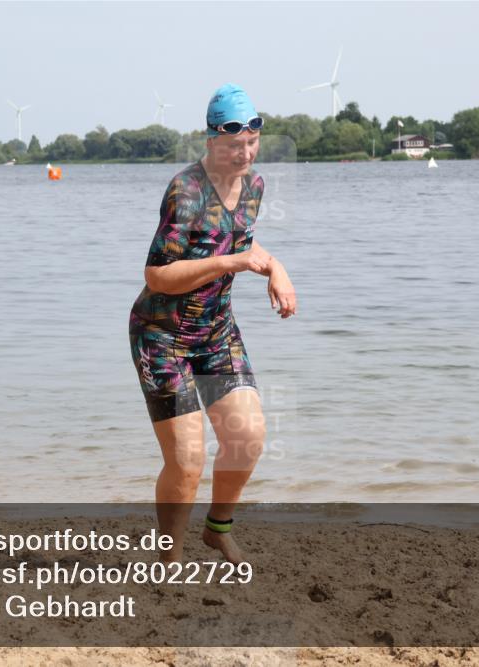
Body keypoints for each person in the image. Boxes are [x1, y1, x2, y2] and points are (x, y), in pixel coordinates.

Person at [128, 84, 297, 563]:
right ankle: (170, 555)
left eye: (251, 143)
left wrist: (276, 269)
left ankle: (217, 529)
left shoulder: (255, 187)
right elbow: (156, 275)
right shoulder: (186, 191)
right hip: (162, 337)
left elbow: (244, 246)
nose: (244, 153)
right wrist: (232, 263)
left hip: (215, 334)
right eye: (233, 145)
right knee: (186, 462)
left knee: (247, 438)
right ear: (210, 141)